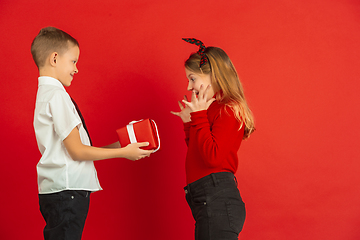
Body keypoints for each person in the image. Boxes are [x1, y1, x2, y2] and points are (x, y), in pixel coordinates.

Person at [31, 26, 153, 240]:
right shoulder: (58, 96)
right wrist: (123, 153)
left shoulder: (45, 94)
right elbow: (77, 152)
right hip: (67, 192)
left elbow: (74, 150)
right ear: (55, 58)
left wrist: (120, 145)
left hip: (59, 191)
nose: (76, 69)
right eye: (74, 61)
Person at [171, 38, 255, 240]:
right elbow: (199, 151)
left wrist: (198, 116)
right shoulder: (211, 108)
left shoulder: (228, 109)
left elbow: (213, 158)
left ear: (213, 76)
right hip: (207, 201)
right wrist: (189, 124)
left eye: (192, 79)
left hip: (217, 201)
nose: (189, 86)